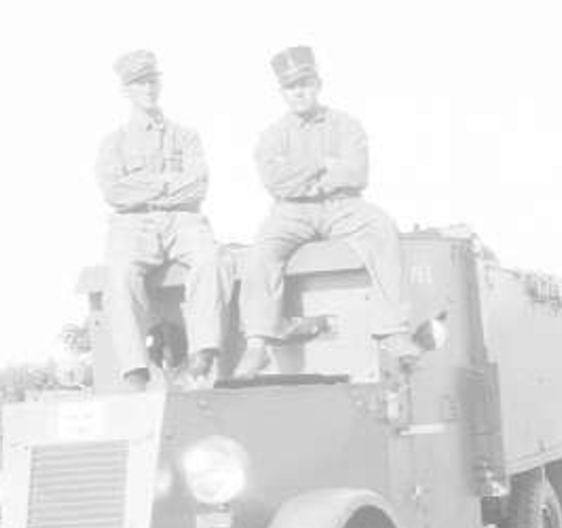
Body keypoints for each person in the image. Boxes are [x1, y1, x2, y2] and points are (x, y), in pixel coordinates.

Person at [235, 46, 420, 378]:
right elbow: (275, 183)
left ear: (318, 84)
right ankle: (257, 343)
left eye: (305, 83)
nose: (299, 92)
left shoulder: (346, 126)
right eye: (291, 87)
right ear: (282, 93)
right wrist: (323, 163)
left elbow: (356, 174)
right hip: (292, 212)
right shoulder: (272, 136)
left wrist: (301, 175)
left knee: (381, 228)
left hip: (342, 206)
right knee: (261, 250)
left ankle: (393, 330)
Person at [96, 49, 226, 392]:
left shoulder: (186, 136)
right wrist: (167, 184)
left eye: (152, 81)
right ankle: (135, 368)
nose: (148, 88)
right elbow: (114, 192)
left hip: (183, 220)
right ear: (125, 90)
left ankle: (203, 349)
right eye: (139, 83)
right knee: (120, 276)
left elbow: (197, 185)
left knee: (210, 260)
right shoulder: (113, 143)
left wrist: (144, 187)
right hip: (133, 225)